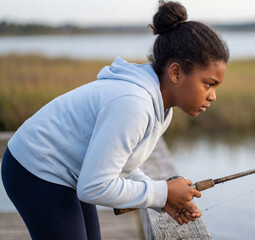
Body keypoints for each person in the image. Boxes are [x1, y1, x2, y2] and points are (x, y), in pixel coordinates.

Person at [1, 1, 229, 239]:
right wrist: (161, 192)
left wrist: (164, 199)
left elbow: (121, 166)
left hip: (67, 171)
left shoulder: (160, 108)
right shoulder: (134, 104)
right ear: (176, 73)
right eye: (209, 83)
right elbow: (94, 187)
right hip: (33, 167)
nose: (213, 96)